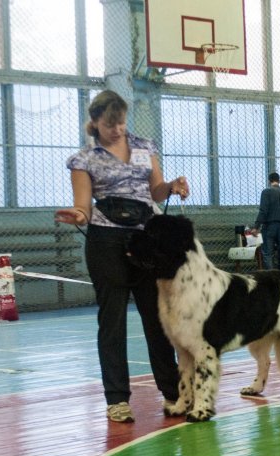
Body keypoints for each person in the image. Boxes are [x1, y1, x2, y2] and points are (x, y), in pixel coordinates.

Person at [55, 90, 190, 424]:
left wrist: (172, 185)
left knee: (157, 319)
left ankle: (172, 391)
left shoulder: (145, 146)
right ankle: (117, 399)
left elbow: (155, 191)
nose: (116, 130)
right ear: (95, 122)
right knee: (112, 320)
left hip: (146, 236)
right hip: (106, 238)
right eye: (109, 124)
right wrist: (78, 215)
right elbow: (85, 205)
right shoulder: (83, 158)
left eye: (121, 123)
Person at [252, 172, 280, 271]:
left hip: (269, 227)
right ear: (279, 181)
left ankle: (272, 278)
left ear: (269, 181)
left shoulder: (266, 192)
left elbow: (263, 211)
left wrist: (256, 227)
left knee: (268, 253)